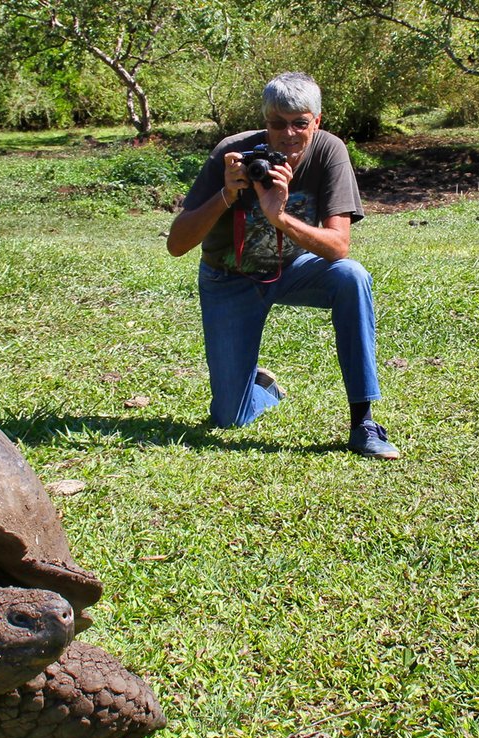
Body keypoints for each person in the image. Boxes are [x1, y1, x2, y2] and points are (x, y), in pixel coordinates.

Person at [166, 71, 399, 459]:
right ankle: (261, 388)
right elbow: (177, 245)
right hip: (229, 279)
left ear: (316, 122)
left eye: (299, 124)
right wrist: (227, 192)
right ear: (265, 121)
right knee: (229, 418)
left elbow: (339, 246)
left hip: (293, 271)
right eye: (277, 124)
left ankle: (364, 423)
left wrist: (280, 218)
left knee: (352, 277)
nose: (288, 134)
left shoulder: (329, 151)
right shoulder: (235, 153)